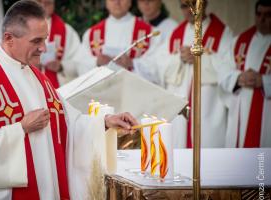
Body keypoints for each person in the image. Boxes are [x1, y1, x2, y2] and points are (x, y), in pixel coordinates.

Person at [0, 1, 138, 199]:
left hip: (51, 187)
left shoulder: (36, 75)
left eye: (45, 39)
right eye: (36, 41)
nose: (44, 48)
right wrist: (20, 129)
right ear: (9, 38)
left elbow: (70, 122)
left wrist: (104, 121)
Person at [160, 0, 233, 148]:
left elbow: (229, 67)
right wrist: (179, 58)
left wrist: (200, 59)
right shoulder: (176, 34)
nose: (189, 9)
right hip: (181, 100)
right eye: (184, 6)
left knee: (206, 153)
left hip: (208, 103)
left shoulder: (222, 33)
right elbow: (160, 66)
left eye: (193, 3)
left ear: (204, 3)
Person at [219, 0, 271, 148]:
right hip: (240, 109)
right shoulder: (239, 41)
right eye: (259, 14)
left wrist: (264, 81)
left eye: (268, 15)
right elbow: (222, 70)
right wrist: (238, 77)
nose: (262, 19)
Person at [76, 0, 163, 84]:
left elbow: (158, 66)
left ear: (130, 2)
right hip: (103, 93)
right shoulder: (91, 34)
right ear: (106, 3)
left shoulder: (149, 32)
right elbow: (80, 64)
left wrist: (132, 63)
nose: (117, 2)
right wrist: (97, 61)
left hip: (134, 91)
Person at [37, 0, 81, 88]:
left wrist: (61, 66)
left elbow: (80, 62)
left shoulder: (67, 31)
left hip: (61, 89)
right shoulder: (21, 29)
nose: (43, 4)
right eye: (39, 1)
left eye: (47, 2)